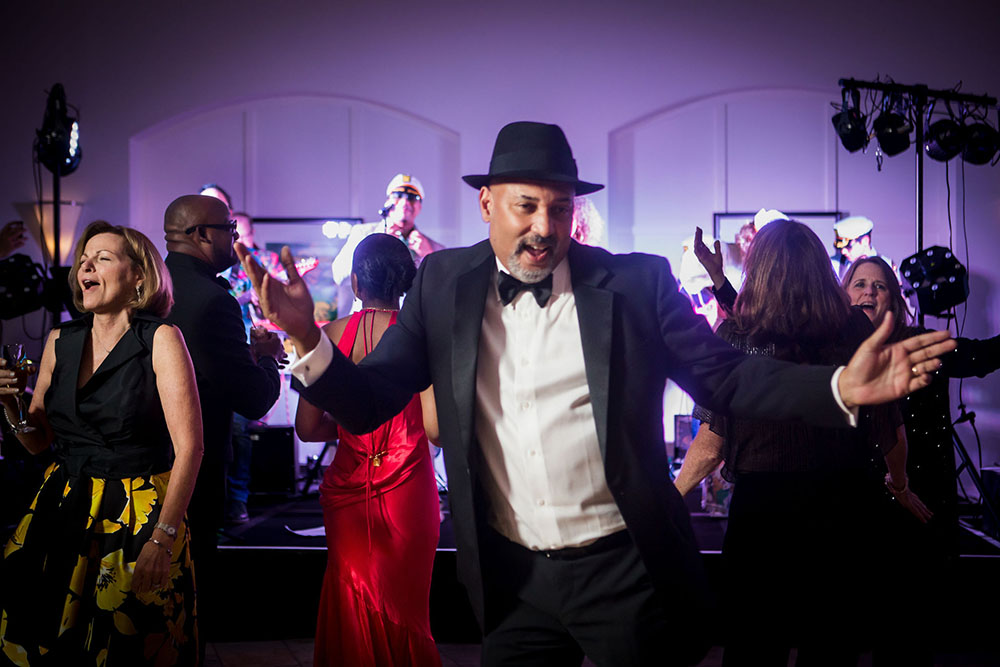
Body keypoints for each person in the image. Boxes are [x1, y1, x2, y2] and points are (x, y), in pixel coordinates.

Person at [237, 121, 954, 666]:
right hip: (514, 577)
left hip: (624, 571)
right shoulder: (443, 284)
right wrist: (305, 336)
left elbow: (727, 375)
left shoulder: (635, 285)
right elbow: (368, 400)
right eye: (525, 206)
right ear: (487, 202)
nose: (543, 228)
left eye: (559, 208)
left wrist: (837, 385)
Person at [675, 219, 931, 664]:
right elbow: (886, 424)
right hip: (842, 510)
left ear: (760, 270)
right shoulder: (854, 329)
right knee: (831, 645)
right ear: (821, 271)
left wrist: (670, 496)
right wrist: (900, 483)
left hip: (761, 515)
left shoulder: (737, 335)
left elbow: (712, 441)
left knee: (754, 646)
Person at [0, 221, 202, 665]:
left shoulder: (161, 339)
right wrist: (12, 407)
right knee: (44, 638)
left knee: (127, 645)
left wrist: (163, 537)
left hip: (137, 513)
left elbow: (190, 448)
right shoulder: (59, 340)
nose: (85, 267)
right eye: (83, 261)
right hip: (61, 504)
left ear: (139, 275)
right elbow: (37, 443)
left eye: (103, 258)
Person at [296, 233, 440, 666]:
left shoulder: (328, 337)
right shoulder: (424, 338)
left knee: (351, 596)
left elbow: (307, 428)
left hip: (349, 488)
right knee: (407, 608)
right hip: (410, 489)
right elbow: (434, 429)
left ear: (356, 284)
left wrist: (349, 427)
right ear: (407, 280)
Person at [162, 194, 283, 642]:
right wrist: (266, 357)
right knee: (190, 585)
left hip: (143, 462)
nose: (235, 239)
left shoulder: (148, 289)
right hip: (196, 465)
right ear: (200, 234)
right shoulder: (213, 301)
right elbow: (253, 399)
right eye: (229, 230)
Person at [331, 173, 444, 315]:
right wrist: (376, 243)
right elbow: (339, 275)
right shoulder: (362, 233)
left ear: (420, 206)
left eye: (412, 197)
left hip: (412, 324)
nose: (405, 202)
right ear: (388, 201)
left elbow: (444, 292)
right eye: (398, 195)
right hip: (368, 322)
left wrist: (429, 257)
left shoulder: (435, 249)